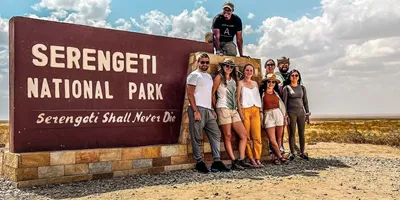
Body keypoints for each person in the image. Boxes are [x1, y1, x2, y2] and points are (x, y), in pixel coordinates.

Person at [186, 53, 230, 173]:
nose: (204, 64)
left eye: (206, 62)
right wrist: (195, 111)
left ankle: (216, 162)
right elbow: (190, 94)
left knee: (216, 134)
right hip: (197, 109)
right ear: (198, 62)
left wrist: (211, 109)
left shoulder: (209, 77)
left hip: (208, 110)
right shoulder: (194, 75)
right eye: (202, 62)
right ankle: (199, 162)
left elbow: (208, 94)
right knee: (196, 137)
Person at [212, 58, 252, 170]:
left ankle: (241, 159)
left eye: (231, 66)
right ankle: (233, 161)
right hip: (223, 108)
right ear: (223, 66)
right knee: (228, 135)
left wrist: (239, 111)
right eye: (226, 66)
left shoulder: (235, 79)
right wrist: (215, 108)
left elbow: (237, 96)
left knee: (243, 135)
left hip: (233, 109)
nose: (228, 68)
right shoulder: (219, 78)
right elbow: (212, 93)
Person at [237, 64, 264, 168]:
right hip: (245, 110)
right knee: (247, 136)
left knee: (257, 136)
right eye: (247, 70)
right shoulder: (240, 83)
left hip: (256, 110)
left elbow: (258, 97)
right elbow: (238, 99)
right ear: (244, 71)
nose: (249, 72)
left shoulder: (255, 83)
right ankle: (251, 158)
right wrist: (240, 113)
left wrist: (260, 111)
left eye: (251, 70)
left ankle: (257, 158)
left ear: (253, 72)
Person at [283, 69, 311, 160]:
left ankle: (302, 152)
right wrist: (286, 115)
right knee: (292, 133)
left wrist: (307, 113)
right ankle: (292, 153)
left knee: (301, 133)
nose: (294, 77)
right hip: (291, 113)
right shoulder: (286, 88)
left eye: (296, 75)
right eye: (293, 75)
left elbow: (305, 101)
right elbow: (284, 103)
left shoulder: (302, 88)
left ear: (299, 77)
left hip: (301, 113)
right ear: (290, 77)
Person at [261, 73, 289, 165]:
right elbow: (261, 107)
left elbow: (282, 106)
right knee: (272, 139)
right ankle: (281, 157)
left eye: (273, 82)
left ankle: (276, 157)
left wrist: (285, 117)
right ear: (266, 82)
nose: (271, 83)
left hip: (278, 114)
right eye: (269, 81)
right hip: (268, 115)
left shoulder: (276, 93)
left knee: (279, 138)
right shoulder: (262, 93)